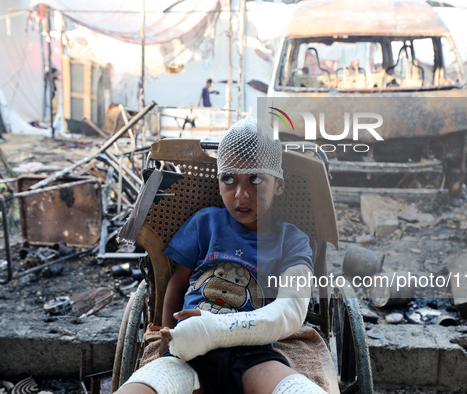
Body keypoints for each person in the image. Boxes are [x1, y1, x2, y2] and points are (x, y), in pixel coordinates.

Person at [116, 117, 326, 394]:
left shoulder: (293, 240)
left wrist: (214, 328)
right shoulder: (205, 222)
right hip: (189, 349)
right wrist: (168, 339)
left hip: (252, 354)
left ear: (278, 185)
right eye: (229, 179)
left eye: (255, 179)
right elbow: (176, 283)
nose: (241, 194)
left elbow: (292, 308)